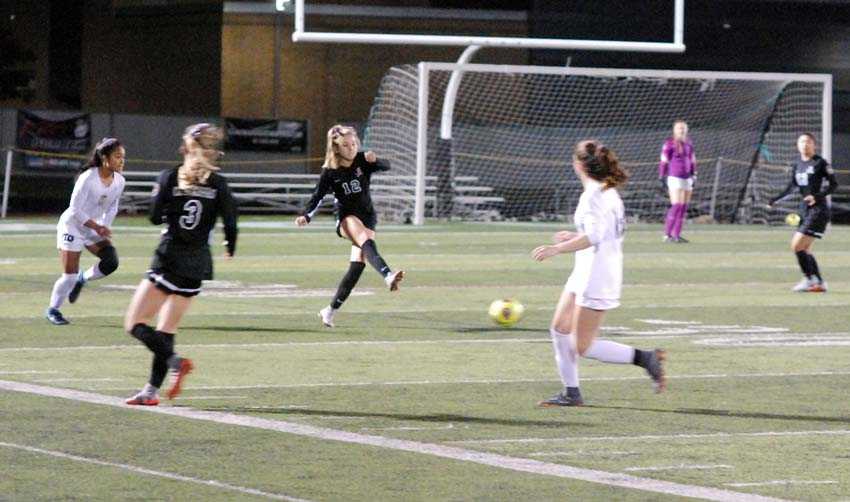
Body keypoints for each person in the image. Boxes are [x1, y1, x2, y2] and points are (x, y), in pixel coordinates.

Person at [532, 140, 666, 407]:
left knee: (582, 346)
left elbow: (594, 236)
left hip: (597, 276)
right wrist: (574, 236)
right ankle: (571, 392)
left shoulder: (594, 195)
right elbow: (601, 232)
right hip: (586, 269)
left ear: (578, 165)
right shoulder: (607, 191)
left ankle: (646, 358)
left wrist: (557, 248)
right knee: (559, 328)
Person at [123, 123, 238, 405]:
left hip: (169, 257)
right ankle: (150, 393)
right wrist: (229, 246)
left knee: (134, 323)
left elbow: (153, 217)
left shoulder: (169, 176)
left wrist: (166, 205)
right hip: (198, 264)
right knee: (166, 330)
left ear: (185, 148)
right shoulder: (219, 183)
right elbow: (231, 222)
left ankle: (176, 362)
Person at [295, 125, 404, 328]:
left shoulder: (362, 160)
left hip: (368, 216)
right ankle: (388, 275)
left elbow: (387, 166)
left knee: (357, 267)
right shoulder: (330, 171)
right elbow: (317, 196)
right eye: (345, 145)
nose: (351, 148)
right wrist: (306, 216)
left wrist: (376, 160)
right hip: (346, 217)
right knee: (364, 239)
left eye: (353, 143)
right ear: (336, 148)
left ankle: (329, 311)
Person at [46, 138, 126, 325]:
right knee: (69, 276)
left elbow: (112, 207)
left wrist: (105, 225)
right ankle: (53, 310)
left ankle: (83, 278)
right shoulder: (88, 178)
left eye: (123, 157)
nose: (122, 161)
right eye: (117, 156)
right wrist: (97, 227)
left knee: (111, 261)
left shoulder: (120, 181)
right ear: (104, 158)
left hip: (92, 227)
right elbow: (74, 209)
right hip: (72, 226)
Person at [768, 132, 837, 293]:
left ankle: (809, 279)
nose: (805, 145)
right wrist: (775, 199)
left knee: (796, 245)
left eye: (808, 142)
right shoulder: (797, 164)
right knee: (804, 249)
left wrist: (817, 196)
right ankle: (819, 282)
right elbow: (792, 187)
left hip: (818, 210)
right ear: (797, 145)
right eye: (801, 142)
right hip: (805, 210)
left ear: (814, 144)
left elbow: (833, 185)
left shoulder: (820, 163)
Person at [658, 120, 697, 243]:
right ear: (674, 130)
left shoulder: (689, 143)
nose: (682, 130)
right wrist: (662, 175)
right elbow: (664, 160)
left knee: (683, 207)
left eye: (684, 128)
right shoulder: (669, 143)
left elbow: (692, 160)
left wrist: (694, 174)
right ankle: (667, 235)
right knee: (676, 205)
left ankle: (676, 235)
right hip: (675, 177)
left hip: (687, 178)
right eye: (679, 128)